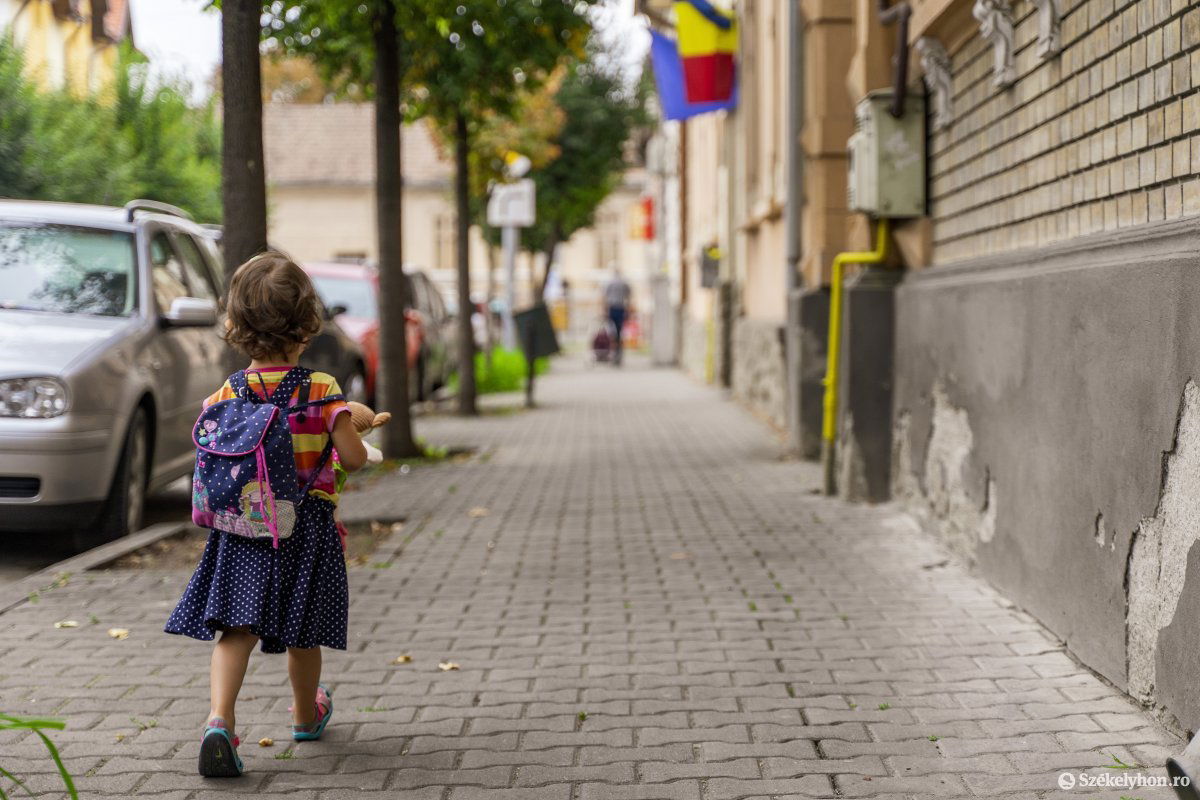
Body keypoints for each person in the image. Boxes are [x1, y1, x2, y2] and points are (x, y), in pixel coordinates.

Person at [164, 252, 368, 778]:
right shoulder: (321, 390)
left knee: (235, 632)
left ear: (237, 325)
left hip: (242, 529)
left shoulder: (230, 390)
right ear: (306, 325)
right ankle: (305, 714)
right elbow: (353, 459)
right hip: (306, 529)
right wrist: (353, 422)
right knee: (304, 632)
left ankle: (219, 721)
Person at [602, 266, 632, 366]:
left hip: (612, 308)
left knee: (612, 332)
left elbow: (605, 297)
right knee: (619, 332)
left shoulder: (609, 283)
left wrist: (604, 310)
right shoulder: (624, 283)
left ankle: (614, 353)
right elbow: (629, 296)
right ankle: (618, 354)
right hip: (621, 308)